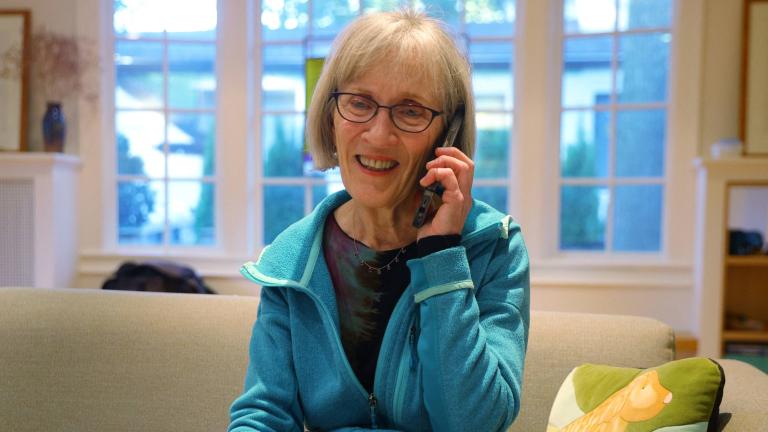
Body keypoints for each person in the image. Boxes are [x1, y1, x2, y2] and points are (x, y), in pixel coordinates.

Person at [229, 9, 530, 432]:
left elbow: (474, 423)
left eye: (410, 111)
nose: (378, 135)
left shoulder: (494, 246)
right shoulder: (293, 260)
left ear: (448, 134)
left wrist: (441, 253)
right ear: (331, 117)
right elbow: (263, 416)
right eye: (359, 103)